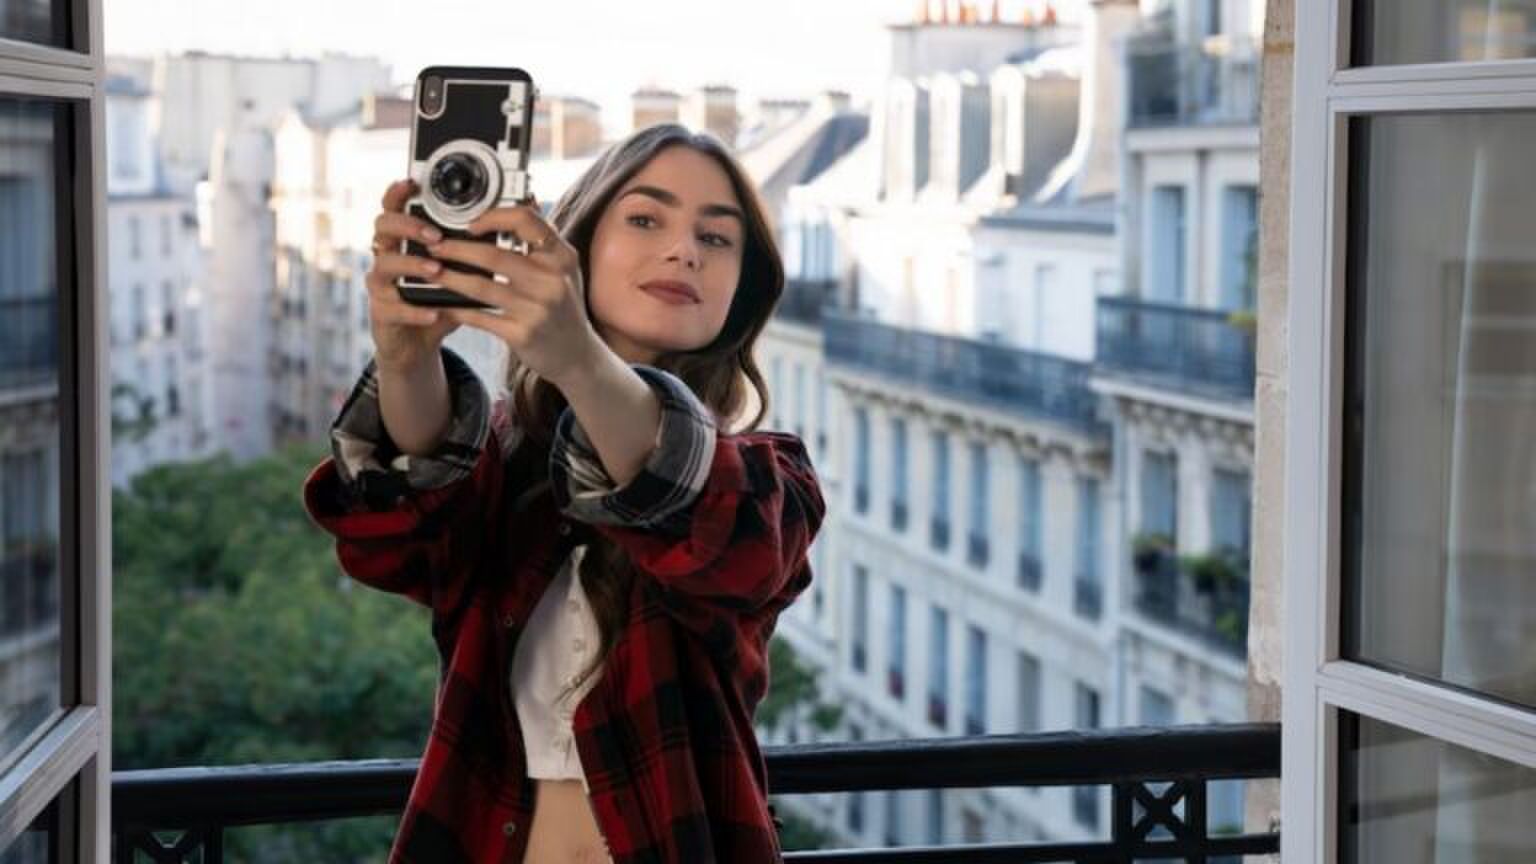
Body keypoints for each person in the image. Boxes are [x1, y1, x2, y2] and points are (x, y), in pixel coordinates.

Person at [301, 123, 824, 863]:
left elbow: (715, 525)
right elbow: (397, 527)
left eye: (716, 238)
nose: (685, 251)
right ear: (578, 245)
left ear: (742, 292)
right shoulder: (502, 463)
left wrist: (577, 356)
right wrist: (404, 356)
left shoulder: (769, 479)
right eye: (645, 219)